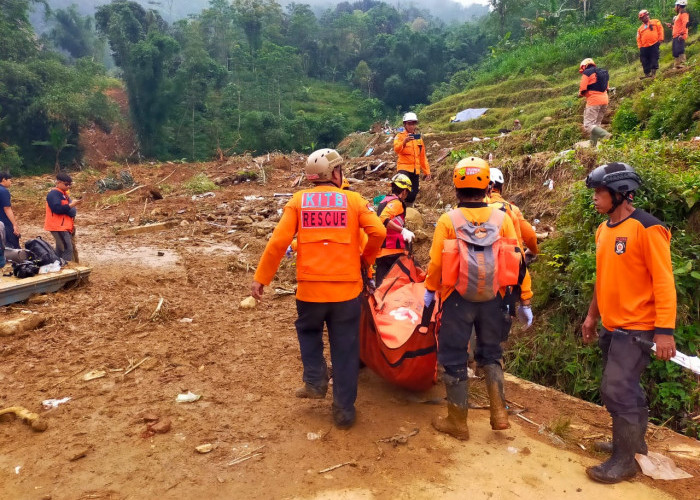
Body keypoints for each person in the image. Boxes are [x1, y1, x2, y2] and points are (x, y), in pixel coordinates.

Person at [251, 149, 386, 430]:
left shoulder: (299, 201)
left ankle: (315, 380)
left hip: (310, 292)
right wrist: (366, 259)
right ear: (336, 173)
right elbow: (379, 233)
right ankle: (344, 411)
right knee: (345, 348)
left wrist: (262, 278)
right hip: (347, 292)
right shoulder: (353, 200)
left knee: (308, 331)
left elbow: (279, 242)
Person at [582, 162, 676, 484]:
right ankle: (632, 445)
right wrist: (592, 316)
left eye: (599, 192)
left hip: (637, 329)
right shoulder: (604, 229)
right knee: (624, 389)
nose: (594, 198)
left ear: (620, 193)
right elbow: (603, 277)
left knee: (617, 388)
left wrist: (664, 332)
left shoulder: (648, 229)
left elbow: (664, 283)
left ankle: (624, 461)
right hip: (612, 325)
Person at [423, 157, 519, 440]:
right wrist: (523, 297)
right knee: (491, 353)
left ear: (456, 187)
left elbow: (437, 263)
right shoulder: (503, 219)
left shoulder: (448, 220)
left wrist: (430, 290)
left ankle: (457, 421)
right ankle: (499, 413)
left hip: (457, 299)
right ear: (489, 187)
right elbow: (517, 258)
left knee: (453, 356)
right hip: (494, 297)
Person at [488, 167, 538, 332]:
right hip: (504, 279)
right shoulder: (511, 210)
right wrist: (525, 298)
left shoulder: (466, 211)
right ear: (500, 187)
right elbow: (528, 239)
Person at [375, 173, 415, 286]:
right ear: (404, 191)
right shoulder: (396, 203)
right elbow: (383, 219)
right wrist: (403, 231)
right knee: (394, 288)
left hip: (381, 252)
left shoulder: (384, 201)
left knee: (380, 288)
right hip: (392, 252)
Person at [393, 112, 431, 204]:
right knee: (401, 189)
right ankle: (397, 208)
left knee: (413, 193)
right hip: (403, 168)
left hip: (415, 169)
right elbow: (396, 149)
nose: (411, 126)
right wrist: (404, 142)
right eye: (409, 123)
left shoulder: (418, 138)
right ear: (405, 124)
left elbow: (422, 156)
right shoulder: (399, 136)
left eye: (413, 123)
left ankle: (408, 211)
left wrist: (427, 172)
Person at [44, 172, 81, 262]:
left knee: (60, 249)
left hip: (64, 227)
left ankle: (57, 266)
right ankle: (65, 268)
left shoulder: (63, 195)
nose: (68, 186)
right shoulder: (53, 194)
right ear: (58, 182)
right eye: (66, 184)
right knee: (67, 249)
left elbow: (72, 212)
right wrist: (71, 205)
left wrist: (71, 207)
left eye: (70, 184)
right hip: (58, 226)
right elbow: (57, 209)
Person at [578, 58, 612, 145]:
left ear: (584, 66)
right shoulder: (603, 73)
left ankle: (605, 134)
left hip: (594, 101)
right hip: (605, 100)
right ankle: (593, 146)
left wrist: (580, 94)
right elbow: (607, 88)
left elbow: (582, 88)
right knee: (596, 125)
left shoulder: (587, 73)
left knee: (588, 125)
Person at [637, 10, 664, 79]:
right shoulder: (640, 29)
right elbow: (638, 39)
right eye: (643, 17)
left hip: (654, 44)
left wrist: (660, 39)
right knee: (644, 61)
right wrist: (640, 47)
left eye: (646, 16)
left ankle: (653, 74)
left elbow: (660, 30)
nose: (645, 17)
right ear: (641, 19)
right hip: (644, 47)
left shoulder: (656, 22)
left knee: (654, 58)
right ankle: (647, 75)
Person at [666, 0, 690, 68]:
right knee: (676, 51)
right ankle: (677, 65)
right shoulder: (679, 15)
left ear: (679, 6)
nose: (675, 7)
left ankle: (683, 63)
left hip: (680, 35)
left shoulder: (684, 13)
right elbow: (678, 27)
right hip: (676, 35)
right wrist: (671, 27)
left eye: (675, 6)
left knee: (680, 50)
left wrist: (682, 34)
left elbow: (685, 24)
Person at [0, 172, 20, 249]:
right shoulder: (3, 191)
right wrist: (14, 225)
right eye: (10, 180)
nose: (11, 182)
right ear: (4, 180)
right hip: (4, 222)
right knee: (13, 245)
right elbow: (7, 209)